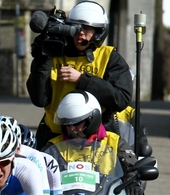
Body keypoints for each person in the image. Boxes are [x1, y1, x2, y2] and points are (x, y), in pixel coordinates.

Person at [26, 1, 132, 149]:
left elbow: (121, 98)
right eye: (77, 27)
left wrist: (82, 80)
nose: (81, 32)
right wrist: (42, 59)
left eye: (88, 28)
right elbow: (39, 99)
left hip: (96, 141)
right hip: (54, 137)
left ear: (99, 32)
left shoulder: (109, 57)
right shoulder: (54, 54)